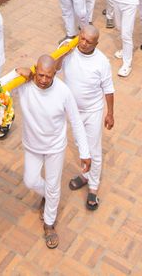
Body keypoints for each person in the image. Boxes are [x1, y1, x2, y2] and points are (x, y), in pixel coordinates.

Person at [14, 55, 91, 249]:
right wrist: (15, 72)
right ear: (35, 70)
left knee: (53, 186)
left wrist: (84, 152)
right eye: (40, 75)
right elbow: (0, 86)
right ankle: (49, 196)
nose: (43, 80)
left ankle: (49, 224)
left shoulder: (63, 92)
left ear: (55, 74)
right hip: (32, 145)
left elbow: (76, 122)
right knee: (30, 181)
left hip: (55, 147)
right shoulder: (24, 84)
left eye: (48, 76)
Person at [58, 25, 114, 211]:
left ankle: (93, 187)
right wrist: (62, 53)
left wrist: (110, 113)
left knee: (94, 150)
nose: (83, 43)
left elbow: (108, 89)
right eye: (82, 38)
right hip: (73, 112)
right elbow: (55, 68)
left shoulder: (102, 62)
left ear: (96, 44)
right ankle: (85, 175)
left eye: (89, 42)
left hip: (93, 111)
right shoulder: (68, 48)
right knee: (80, 145)